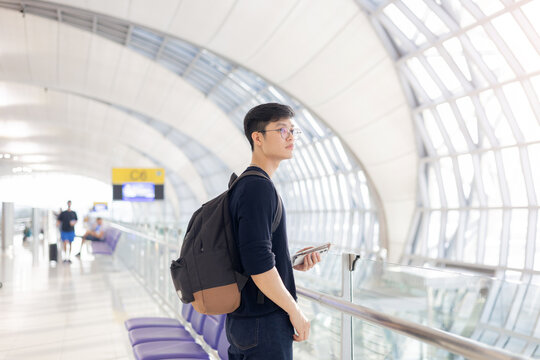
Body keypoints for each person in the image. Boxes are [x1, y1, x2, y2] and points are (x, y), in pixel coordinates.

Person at [226, 103, 322, 359]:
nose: (290, 137)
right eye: (281, 130)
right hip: (264, 323)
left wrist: (289, 264)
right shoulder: (259, 188)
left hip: (245, 322)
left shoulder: (243, 185)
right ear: (257, 138)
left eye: (292, 130)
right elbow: (258, 264)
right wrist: (295, 311)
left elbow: (249, 256)